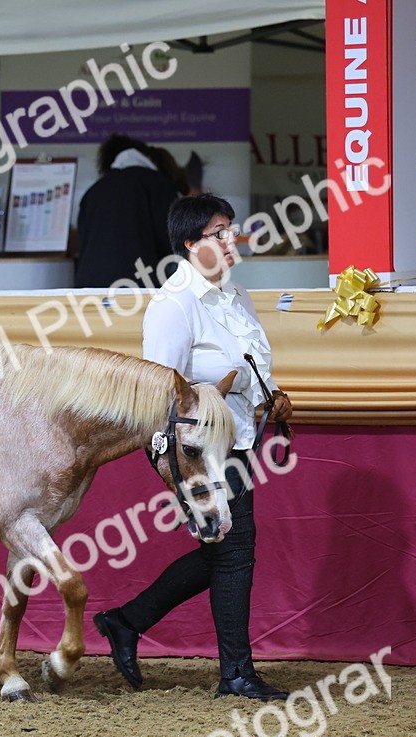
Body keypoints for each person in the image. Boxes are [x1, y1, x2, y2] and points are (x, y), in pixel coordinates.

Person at [93, 193, 294, 701]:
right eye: (218, 232)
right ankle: (235, 674)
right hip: (199, 451)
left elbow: (246, 366)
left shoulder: (236, 295)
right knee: (234, 551)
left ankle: (126, 621)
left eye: (231, 230)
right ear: (189, 243)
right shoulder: (173, 305)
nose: (231, 241)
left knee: (227, 551)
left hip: (238, 438)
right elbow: (160, 392)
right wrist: (177, 466)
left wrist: (269, 396)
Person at [75, 134, 179, 288]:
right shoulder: (157, 183)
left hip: (88, 288)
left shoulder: (93, 191)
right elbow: (173, 241)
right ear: (148, 157)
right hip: (138, 286)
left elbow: (81, 243)